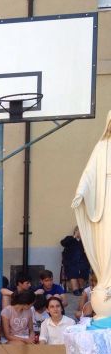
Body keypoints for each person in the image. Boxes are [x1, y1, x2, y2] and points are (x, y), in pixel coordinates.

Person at [72, 110, 111, 319]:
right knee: (106, 242)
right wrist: (80, 193)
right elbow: (88, 174)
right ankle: (106, 281)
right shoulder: (102, 147)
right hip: (105, 202)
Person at [60, 226, 90, 296]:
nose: (80, 232)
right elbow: (63, 243)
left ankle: (81, 288)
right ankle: (75, 289)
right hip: (70, 261)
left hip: (82, 261)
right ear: (75, 231)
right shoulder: (69, 238)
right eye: (78, 231)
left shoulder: (84, 241)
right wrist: (74, 236)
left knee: (83, 268)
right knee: (72, 270)